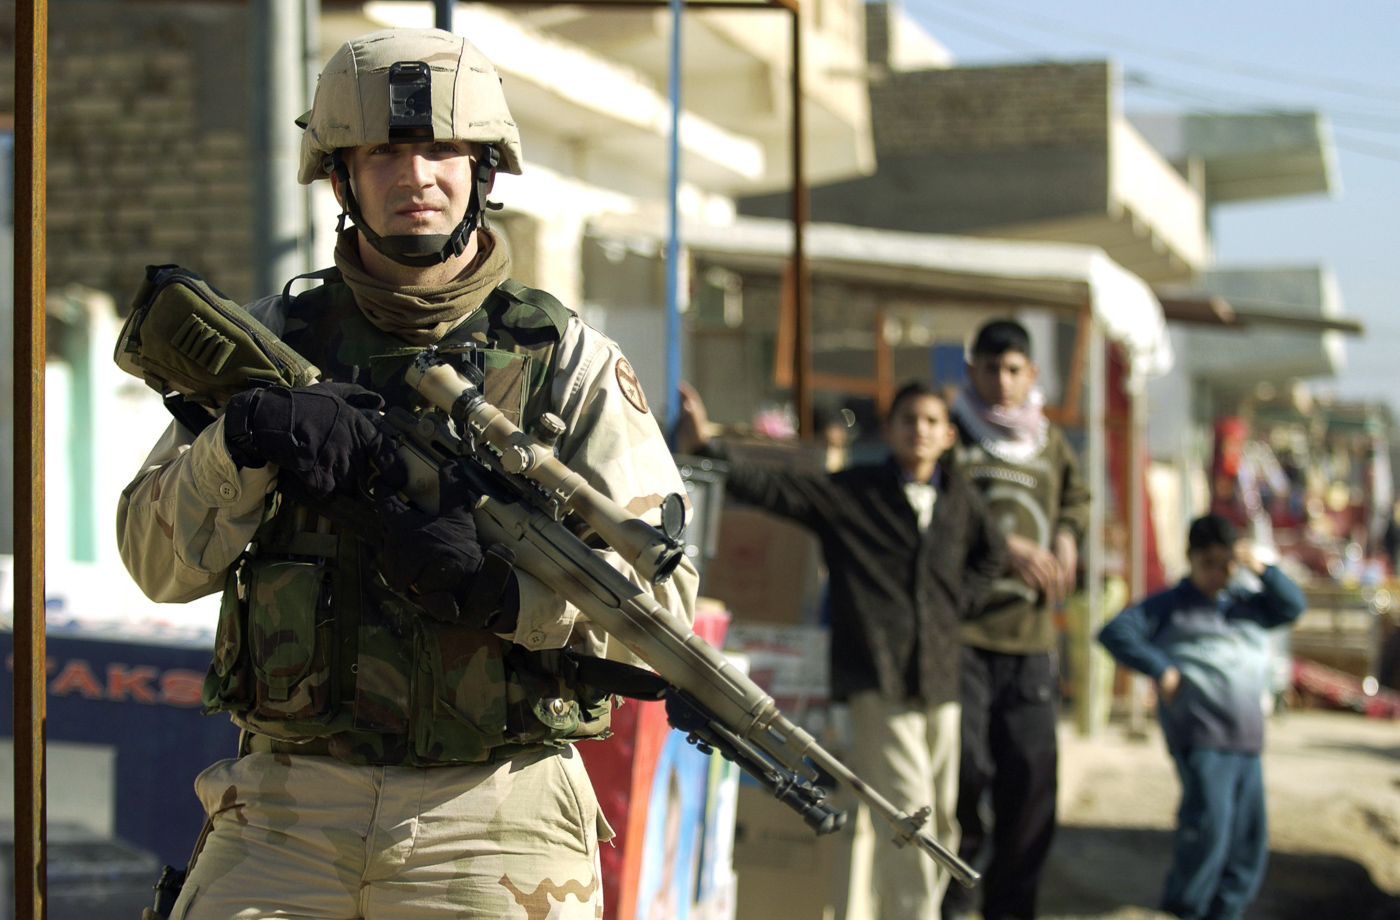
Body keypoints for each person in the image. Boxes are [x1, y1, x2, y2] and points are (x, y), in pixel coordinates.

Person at [116, 28, 697, 919]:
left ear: (484, 173)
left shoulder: (568, 362)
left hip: (499, 812)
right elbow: (156, 565)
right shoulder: (271, 343)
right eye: (384, 151)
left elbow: (669, 607)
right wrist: (238, 445)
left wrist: (511, 597)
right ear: (342, 177)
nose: (415, 175)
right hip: (286, 806)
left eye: (441, 149)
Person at [677, 380, 1007, 919]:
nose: (918, 430)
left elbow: (991, 556)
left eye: (930, 422)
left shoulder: (961, 499)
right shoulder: (857, 493)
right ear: (890, 429)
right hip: (878, 676)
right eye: (908, 420)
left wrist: (956, 607)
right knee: (907, 814)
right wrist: (711, 446)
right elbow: (779, 490)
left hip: (941, 679)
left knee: (943, 818)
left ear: (947, 435)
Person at [943, 319, 1091, 920]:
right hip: (965, 640)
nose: (1001, 382)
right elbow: (941, 510)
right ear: (970, 370)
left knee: (1030, 789)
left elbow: (1076, 498)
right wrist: (1005, 548)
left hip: (1030, 645)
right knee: (966, 778)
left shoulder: (1048, 442)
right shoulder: (953, 435)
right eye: (989, 369)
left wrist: (1067, 535)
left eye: (1013, 370)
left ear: (1031, 375)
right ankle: (958, 904)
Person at [1097, 514, 1304, 920]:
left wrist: (1258, 566)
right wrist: (1161, 669)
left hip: (1246, 739)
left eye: (1226, 563)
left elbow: (1293, 605)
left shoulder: (1246, 605)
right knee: (1208, 831)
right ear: (1190, 559)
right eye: (1208, 563)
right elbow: (1115, 631)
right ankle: (1185, 910)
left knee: (1248, 840)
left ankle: (1227, 912)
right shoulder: (1170, 606)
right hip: (1201, 736)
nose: (1218, 573)